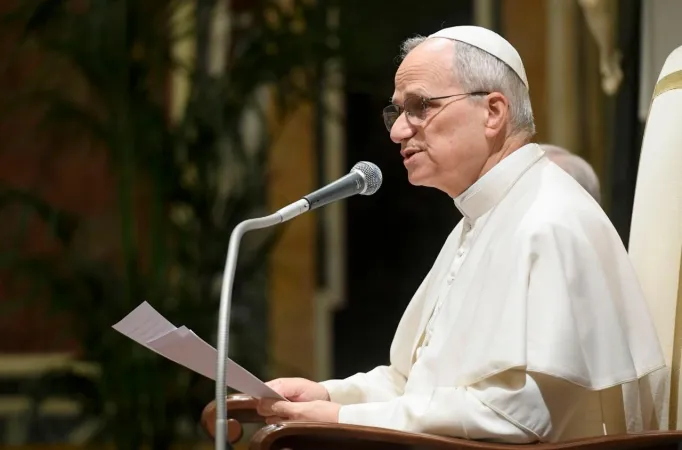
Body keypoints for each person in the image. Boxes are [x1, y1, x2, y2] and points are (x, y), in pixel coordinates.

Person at [252, 26, 665, 442]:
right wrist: (328, 395)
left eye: (420, 107)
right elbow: (416, 385)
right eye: (396, 112)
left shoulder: (548, 222)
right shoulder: (482, 219)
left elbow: (517, 417)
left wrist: (342, 418)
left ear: (493, 112)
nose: (397, 132)